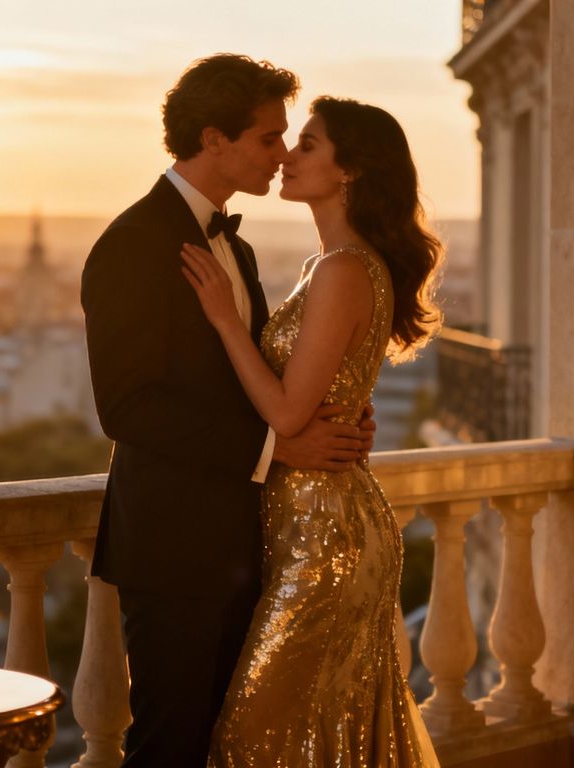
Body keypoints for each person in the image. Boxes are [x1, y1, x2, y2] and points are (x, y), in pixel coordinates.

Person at [80, 55, 376, 768]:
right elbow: (128, 410)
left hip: (246, 548)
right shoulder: (129, 246)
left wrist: (334, 417)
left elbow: (258, 382)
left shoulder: (234, 248)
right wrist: (278, 451)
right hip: (174, 549)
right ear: (215, 141)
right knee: (169, 748)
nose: (282, 153)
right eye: (269, 138)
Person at [180, 96, 444, 767]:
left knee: (252, 734)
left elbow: (290, 415)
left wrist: (224, 321)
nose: (288, 158)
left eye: (308, 145)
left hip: (328, 542)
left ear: (350, 170)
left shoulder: (344, 270)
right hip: (310, 525)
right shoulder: (328, 267)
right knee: (313, 737)